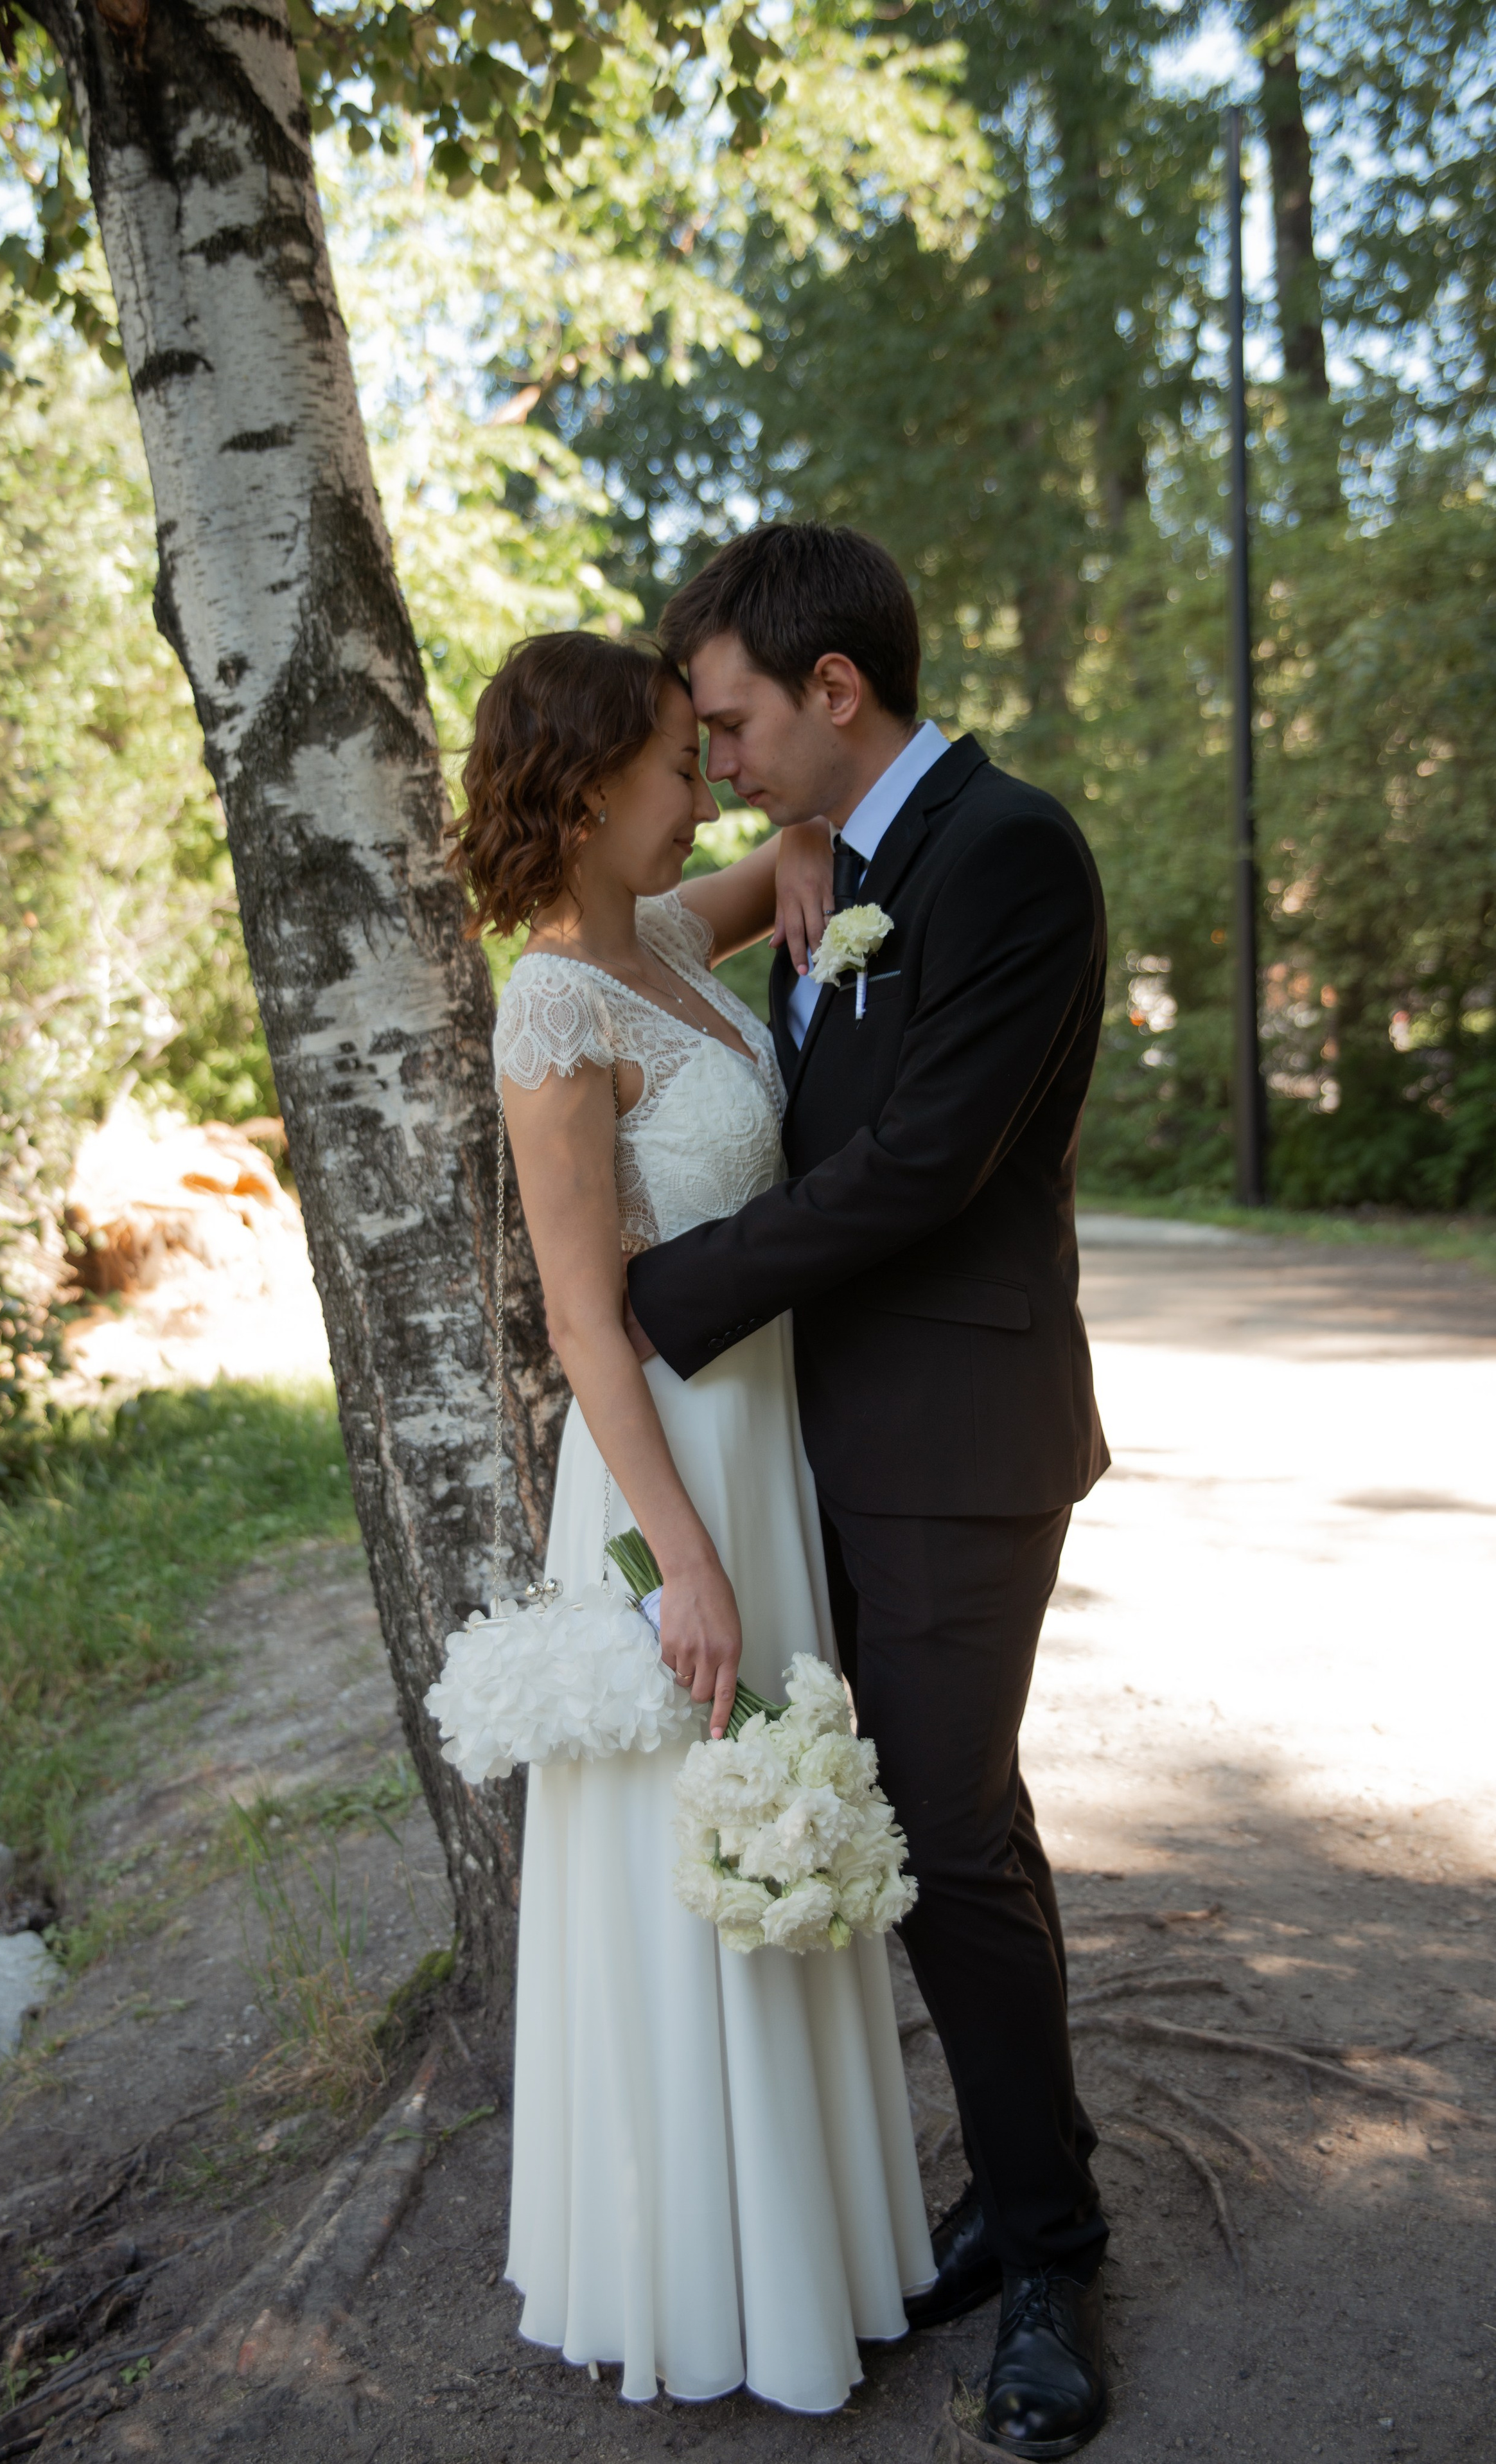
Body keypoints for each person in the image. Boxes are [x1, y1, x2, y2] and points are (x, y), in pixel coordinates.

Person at [624, 523, 1114, 2458]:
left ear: (837, 694)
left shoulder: (1008, 855)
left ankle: (1054, 2258)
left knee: (942, 1827)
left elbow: (921, 1164)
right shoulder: (839, 853)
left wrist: (662, 1302)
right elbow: (614, 935)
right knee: (960, 1822)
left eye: (734, 724)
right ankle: (1026, 2180)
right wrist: (781, 868)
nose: (720, 759)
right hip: (826, 1435)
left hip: (957, 1444)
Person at [452, 629, 935, 2415]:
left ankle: (819, 2242)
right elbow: (584, 1322)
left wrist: (804, 844)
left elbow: (794, 840)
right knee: (700, 1843)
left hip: (768, 1444)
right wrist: (688, 1564)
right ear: (584, 792)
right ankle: (707, 2283)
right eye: (675, 760)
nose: (705, 783)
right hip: (669, 1476)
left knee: (785, 1807)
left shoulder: (661, 937)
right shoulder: (550, 1007)